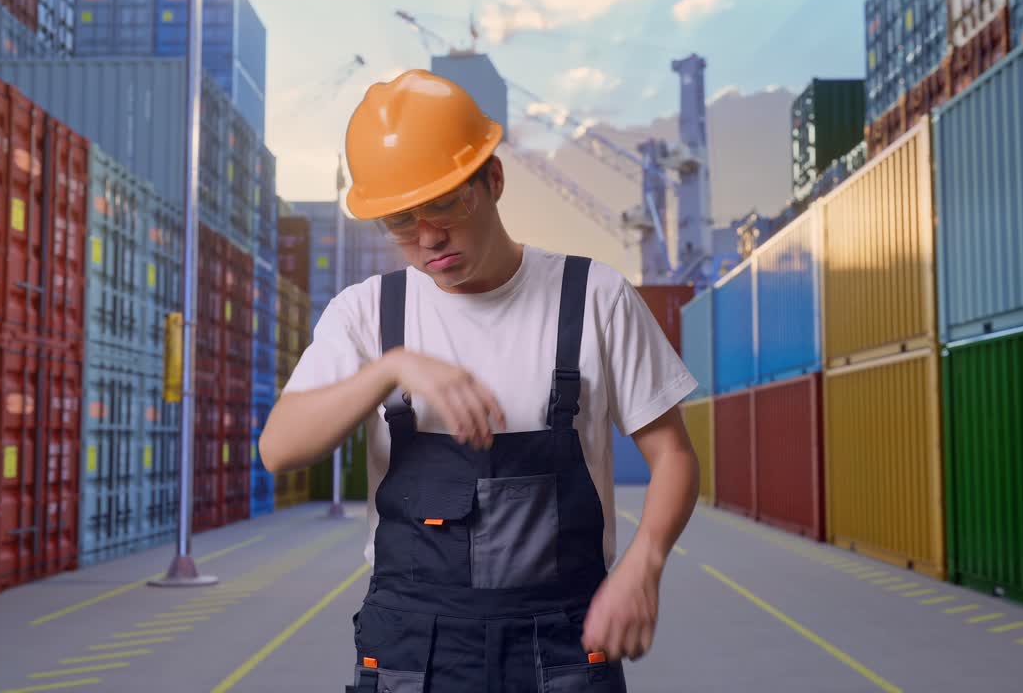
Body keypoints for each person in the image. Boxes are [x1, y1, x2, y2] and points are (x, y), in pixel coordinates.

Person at [258, 69, 701, 693]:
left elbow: (674, 456)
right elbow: (278, 448)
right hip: (413, 651)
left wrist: (644, 565)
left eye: (445, 203)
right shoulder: (367, 314)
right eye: (400, 221)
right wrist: (393, 367)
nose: (428, 237)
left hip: (566, 649)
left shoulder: (594, 298)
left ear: (492, 179)